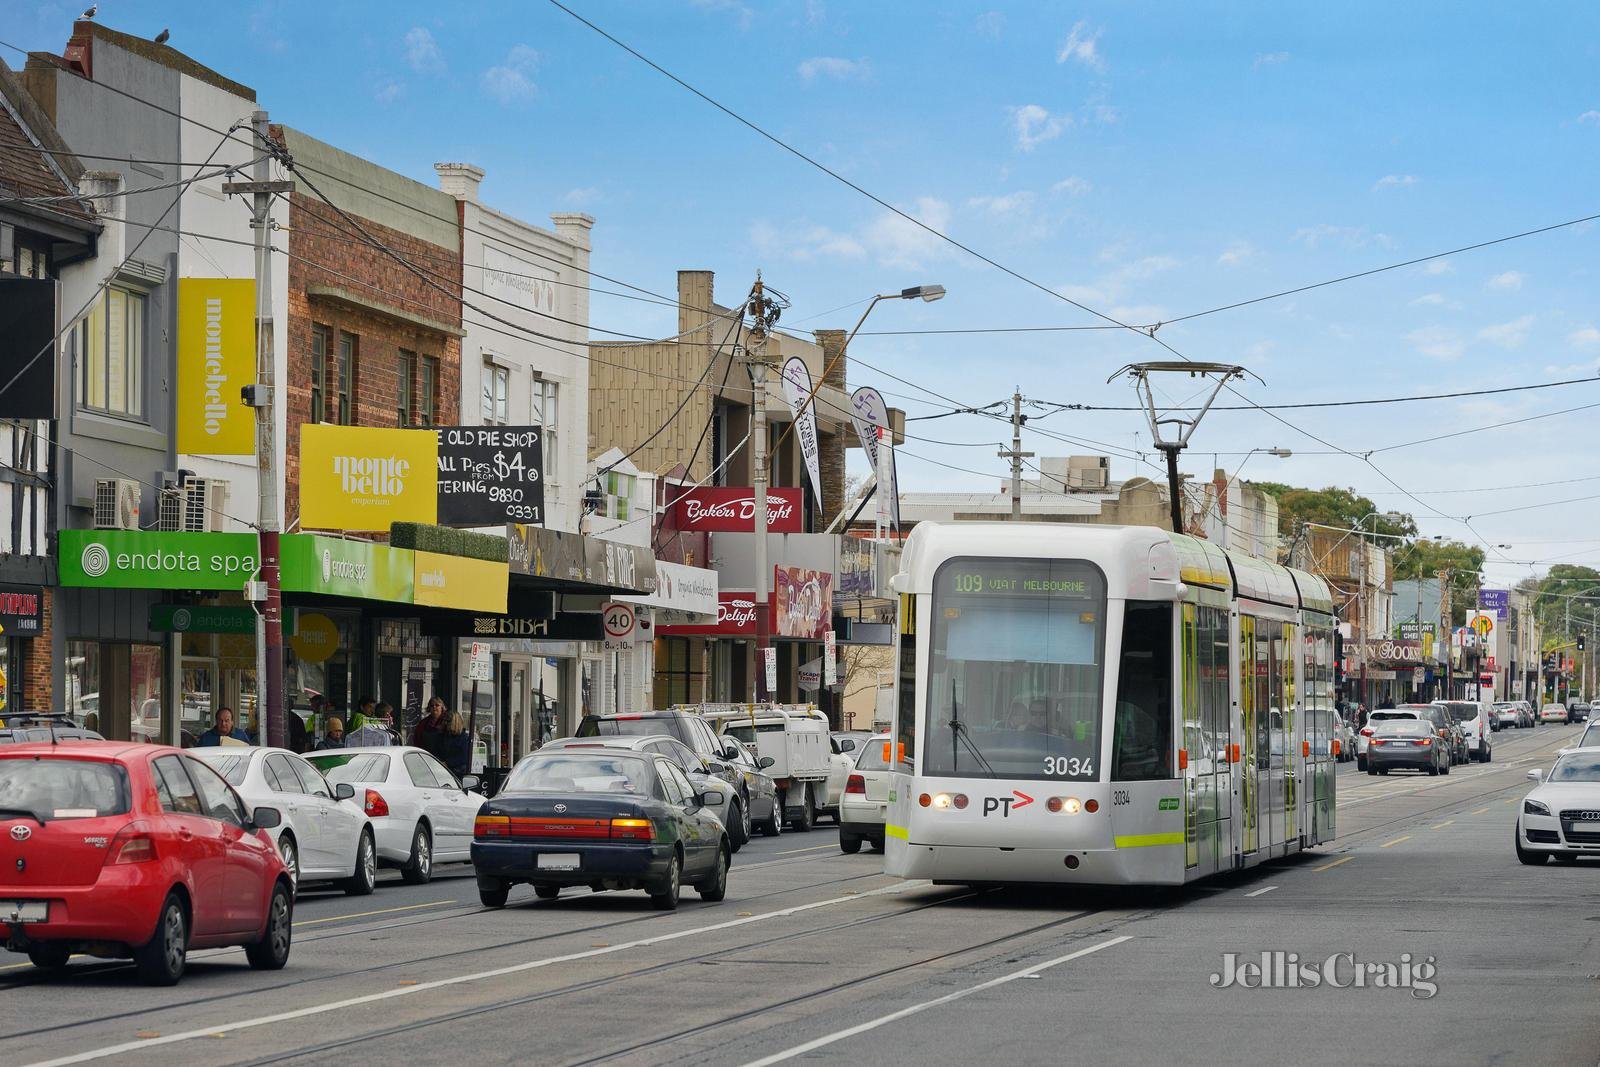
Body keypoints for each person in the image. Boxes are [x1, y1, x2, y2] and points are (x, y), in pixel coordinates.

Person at [443, 712, 471, 780]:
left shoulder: (464, 738)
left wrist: (448, 763)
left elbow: (464, 757)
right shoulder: (446, 735)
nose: (445, 723)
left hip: (459, 772)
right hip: (446, 770)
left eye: (448, 721)